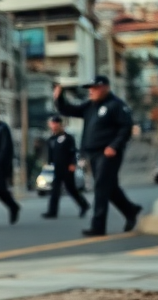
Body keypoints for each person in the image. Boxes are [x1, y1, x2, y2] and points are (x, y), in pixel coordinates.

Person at [55, 76, 141, 236]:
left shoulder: (115, 105)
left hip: (108, 153)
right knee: (110, 188)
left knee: (101, 187)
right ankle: (130, 210)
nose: (91, 91)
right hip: (93, 153)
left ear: (105, 88)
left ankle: (98, 226)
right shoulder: (91, 106)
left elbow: (126, 127)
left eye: (94, 88)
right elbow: (68, 110)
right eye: (90, 88)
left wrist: (114, 146)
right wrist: (59, 97)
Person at [41, 114, 90, 219]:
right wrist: (48, 165)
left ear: (60, 125)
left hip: (67, 167)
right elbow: (50, 155)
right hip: (57, 168)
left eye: (56, 124)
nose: (54, 126)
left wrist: (73, 164)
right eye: (52, 124)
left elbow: (73, 152)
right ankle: (52, 211)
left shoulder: (68, 138)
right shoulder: (51, 139)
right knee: (55, 190)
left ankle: (84, 205)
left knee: (71, 189)